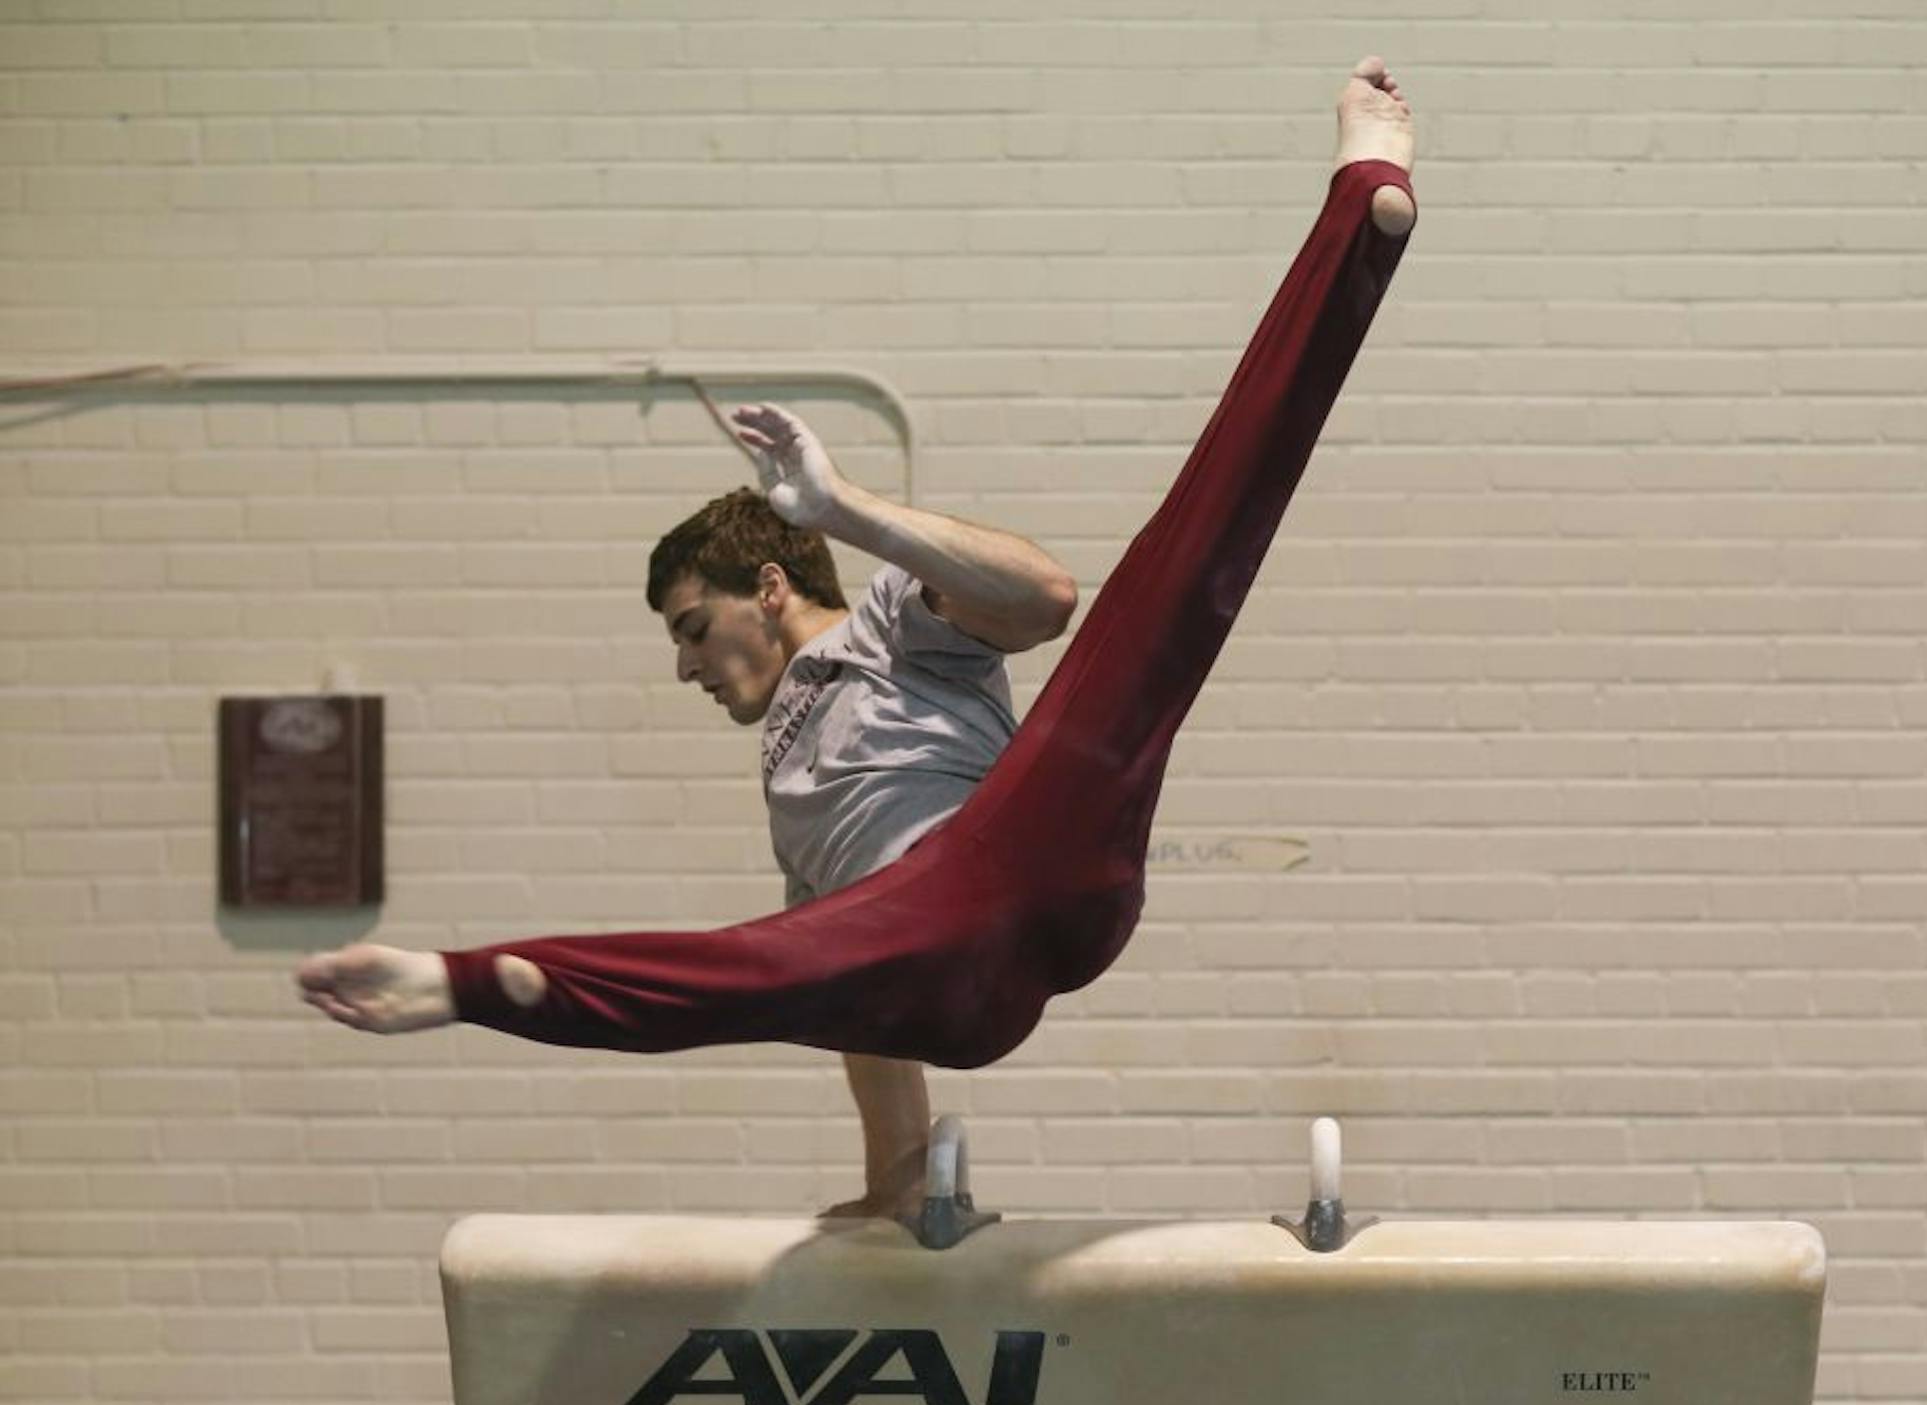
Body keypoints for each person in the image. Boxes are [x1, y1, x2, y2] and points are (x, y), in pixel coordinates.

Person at [296, 57, 1419, 1219]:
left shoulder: (889, 620)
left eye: (694, 627)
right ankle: (480, 984)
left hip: (1031, 854)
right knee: (775, 966)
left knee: (1180, 582)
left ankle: (1359, 219)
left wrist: (844, 510)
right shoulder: (791, 793)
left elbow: (1044, 598)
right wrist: (898, 1205)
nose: (683, 664)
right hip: (942, 975)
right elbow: (854, 1005)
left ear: (770, 586)